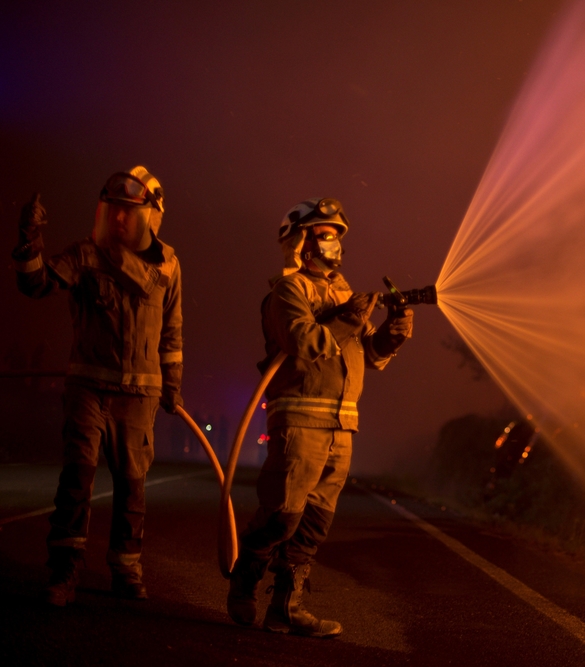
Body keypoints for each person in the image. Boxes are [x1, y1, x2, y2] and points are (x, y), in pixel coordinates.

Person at [226, 198, 412, 637]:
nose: (332, 243)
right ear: (300, 241)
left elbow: (370, 354)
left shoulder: (346, 295)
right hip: (299, 423)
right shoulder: (288, 292)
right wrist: (350, 318)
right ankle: (245, 581)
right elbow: (303, 341)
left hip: (342, 426)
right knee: (282, 517)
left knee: (313, 525)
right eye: (323, 233)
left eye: (335, 234)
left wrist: (393, 332)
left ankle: (286, 608)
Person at [12, 167, 183, 606]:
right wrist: (30, 241)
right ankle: (64, 572)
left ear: (151, 215)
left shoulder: (168, 265)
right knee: (77, 479)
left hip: (140, 397)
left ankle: (126, 571)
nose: (120, 219)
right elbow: (37, 284)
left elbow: (172, 332)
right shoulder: (88, 254)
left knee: (132, 486)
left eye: (129, 210)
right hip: (88, 389)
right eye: (115, 210)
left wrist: (173, 384)